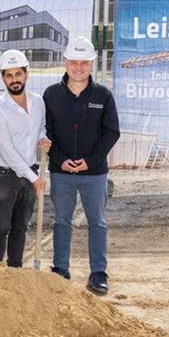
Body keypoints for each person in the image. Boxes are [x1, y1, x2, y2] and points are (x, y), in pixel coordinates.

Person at [43, 36, 120, 295]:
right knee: (61, 220)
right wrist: (60, 159)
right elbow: (46, 131)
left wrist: (89, 161)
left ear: (92, 64)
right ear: (65, 62)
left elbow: (111, 133)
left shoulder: (103, 95)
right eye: (73, 62)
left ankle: (98, 272)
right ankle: (60, 269)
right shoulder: (51, 94)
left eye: (83, 63)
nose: (78, 67)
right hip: (61, 171)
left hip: (94, 173)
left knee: (97, 222)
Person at [0, 50, 51, 267]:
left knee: (20, 227)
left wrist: (43, 139)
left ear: (26, 74)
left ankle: (15, 271)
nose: (14, 80)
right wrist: (34, 178)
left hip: (30, 172)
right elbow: (7, 151)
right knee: (0, 228)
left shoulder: (39, 102)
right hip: (3, 176)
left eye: (18, 74)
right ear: (3, 78)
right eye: (9, 75)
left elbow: (40, 128)